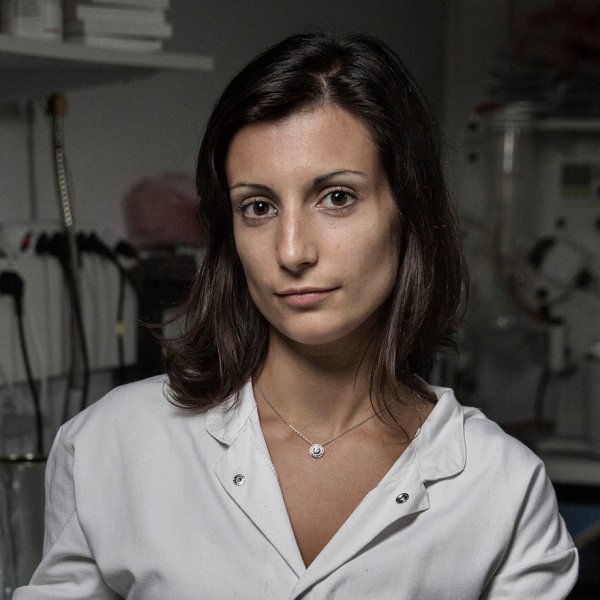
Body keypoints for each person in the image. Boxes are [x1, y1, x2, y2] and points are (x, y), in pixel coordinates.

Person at [14, 32, 577, 599]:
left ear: (408, 211)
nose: (291, 251)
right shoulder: (111, 445)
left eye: (336, 197)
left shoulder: (500, 488)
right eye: (257, 207)